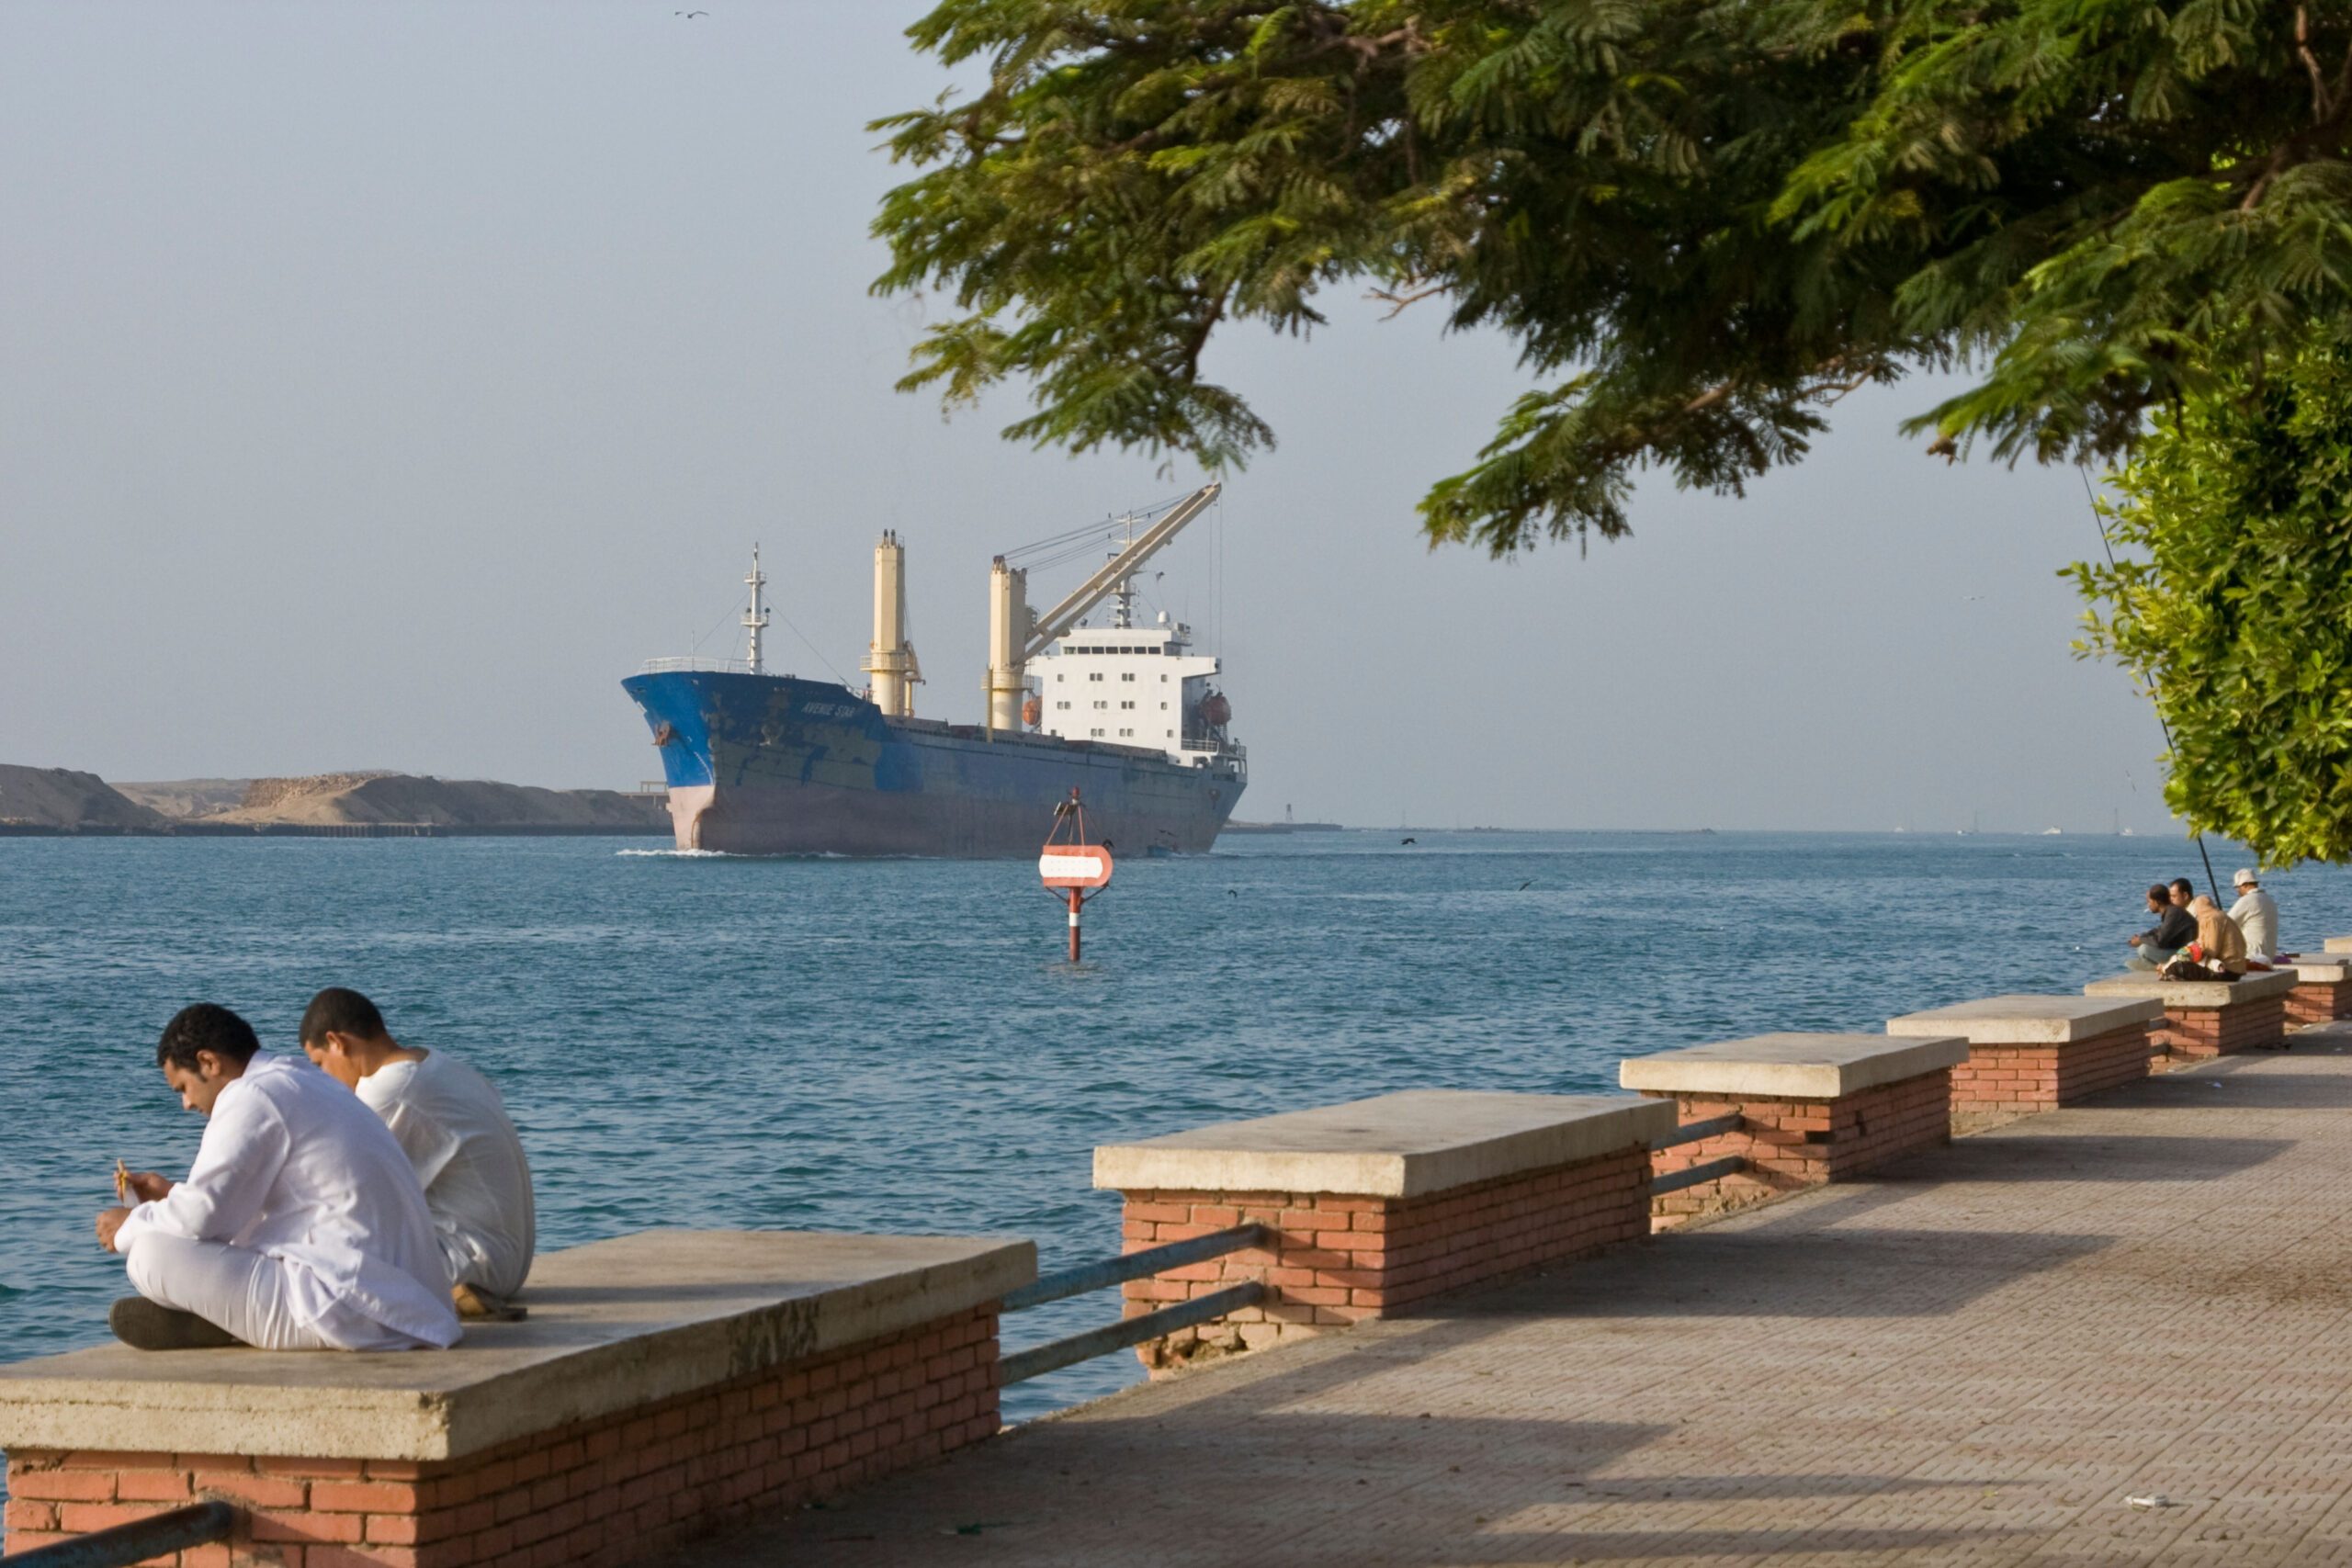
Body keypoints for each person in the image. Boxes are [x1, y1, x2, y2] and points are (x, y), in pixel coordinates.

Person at [98, 1003, 460, 1352]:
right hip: (406, 1296)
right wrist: (172, 1195)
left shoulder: (250, 1096)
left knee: (148, 1254)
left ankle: (224, 1322)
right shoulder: (303, 1079)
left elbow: (204, 1219)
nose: (187, 1104)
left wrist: (130, 1224)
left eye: (183, 1088)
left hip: (349, 1306)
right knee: (177, 1237)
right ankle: (223, 1318)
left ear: (208, 1062)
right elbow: (239, 1209)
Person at [300, 987, 535, 1317]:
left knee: (306, 1250)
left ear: (337, 1042)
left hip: (472, 1264)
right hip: (505, 1261)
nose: (323, 1077)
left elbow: (339, 1194)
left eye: (320, 1063)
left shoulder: (388, 1090)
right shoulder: (442, 1067)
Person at [2126, 883, 2198, 970]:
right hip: (2181, 950)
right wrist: (2142, 937)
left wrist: (2140, 940)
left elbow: (2160, 941)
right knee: (2143, 949)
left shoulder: (2173, 913)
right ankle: (2157, 967)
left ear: (2157, 902)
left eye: (2149, 901)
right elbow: (2159, 930)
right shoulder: (2171, 911)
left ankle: (2160, 968)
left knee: (2143, 949)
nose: (2148, 905)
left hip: (2187, 954)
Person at [2185, 894, 2251, 976]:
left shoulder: (2211, 920)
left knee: (2178, 967)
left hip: (2227, 969)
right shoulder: (2222, 916)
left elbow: (2212, 950)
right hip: (2237, 968)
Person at [2229, 868, 2279, 961]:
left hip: (2252, 955)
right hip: (2269, 955)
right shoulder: (2269, 899)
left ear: (2245, 885)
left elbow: (2226, 923)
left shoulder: (2247, 900)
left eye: (2238, 888)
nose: (2237, 891)